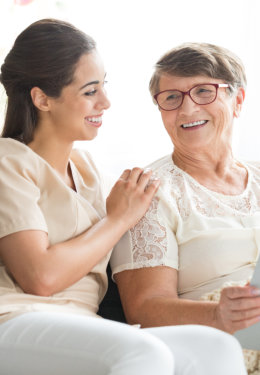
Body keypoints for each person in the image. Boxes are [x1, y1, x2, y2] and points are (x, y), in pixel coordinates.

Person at [0, 20, 247, 375]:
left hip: (81, 324)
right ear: (42, 99)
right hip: (17, 317)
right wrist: (118, 220)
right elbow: (40, 278)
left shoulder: (87, 172)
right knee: (143, 353)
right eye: (89, 91)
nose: (106, 102)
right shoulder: (9, 160)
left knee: (215, 347)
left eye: (104, 86)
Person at [111, 43, 260, 339]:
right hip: (216, 343)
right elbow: (144, 309)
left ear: (238, 100)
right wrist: (218, 315)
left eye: (204, 91)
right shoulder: (148, 192)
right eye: (172, 97)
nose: (188, 109)